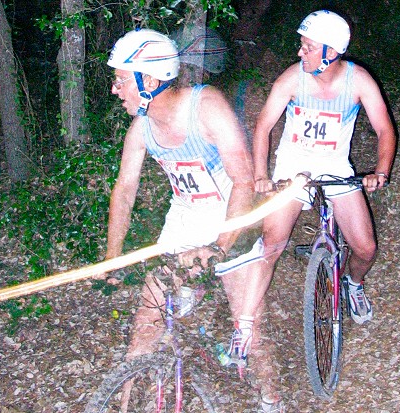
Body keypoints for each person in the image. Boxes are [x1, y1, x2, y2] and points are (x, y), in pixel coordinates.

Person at [103, 28, 282, 412]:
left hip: (231, 218)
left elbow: (243, 181)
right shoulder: (142, 128)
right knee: (146, 324)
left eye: (121, 81)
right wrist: (112, 258)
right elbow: (125, 190)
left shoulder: (206, 108)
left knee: (249, 327)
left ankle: (272, 399)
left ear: (149, 81)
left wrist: (219, 247)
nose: (115, 90)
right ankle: (123, 403)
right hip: (184, 222)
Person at [225, 9, 397, 366]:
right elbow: (264, 126)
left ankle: (353, 283)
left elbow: (384, 129)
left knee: (365, 248)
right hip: (293, 165)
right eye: (301, 45)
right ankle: (243, 326)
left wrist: (380, 171)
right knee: (272, 243)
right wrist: (262, 174)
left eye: (308, 47)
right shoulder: (293, 78)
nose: (300, 52)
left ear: (330, 52)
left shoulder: (358, 81)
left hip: (335, 167)